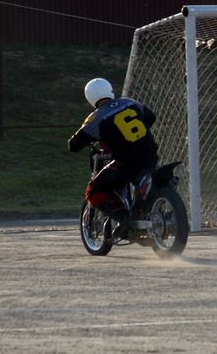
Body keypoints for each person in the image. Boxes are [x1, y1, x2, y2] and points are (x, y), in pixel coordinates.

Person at [68, 78, 159, 240]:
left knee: (94, 190)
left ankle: (123, 218)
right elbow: (151, 117)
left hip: (127, 163)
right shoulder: (129, 102)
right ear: (110, 90)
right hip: (151, 156)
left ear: (90, 98)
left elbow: (73, 145)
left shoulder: (96, 117)